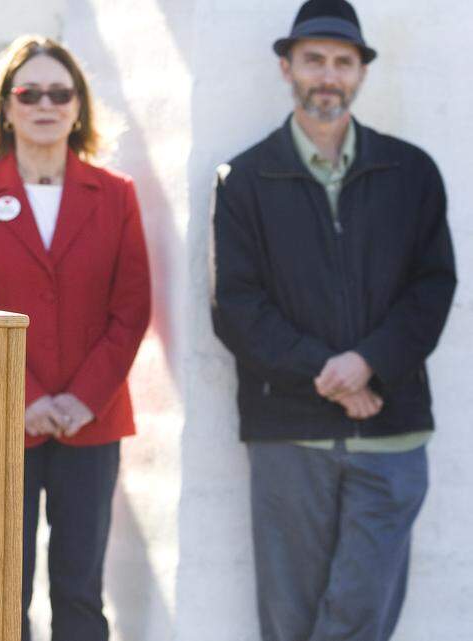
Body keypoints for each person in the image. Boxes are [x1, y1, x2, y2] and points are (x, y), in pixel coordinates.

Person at [210, 1, 457, 640]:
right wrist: (327, 372)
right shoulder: (244, 181)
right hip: (290, 436)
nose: (328, 75)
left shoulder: (412, 173)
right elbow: (235, 306)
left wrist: (367, 362)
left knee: (359, 615)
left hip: (391, 434)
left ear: (361, 74)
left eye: (343, 62)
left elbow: (432, 288)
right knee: (290, 622)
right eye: (314, 59)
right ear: (287, 66)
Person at [0, 35, 151, 641]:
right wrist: (28, 398)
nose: (45, 104)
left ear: (79, 107)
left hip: (96, 419)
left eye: (61, 93)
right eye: (29, 92)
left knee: (80, 589)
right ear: (6, 106)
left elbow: (131, 308)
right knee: (5, 585)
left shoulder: (116, 196)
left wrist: (82, 398)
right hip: (6, 418)